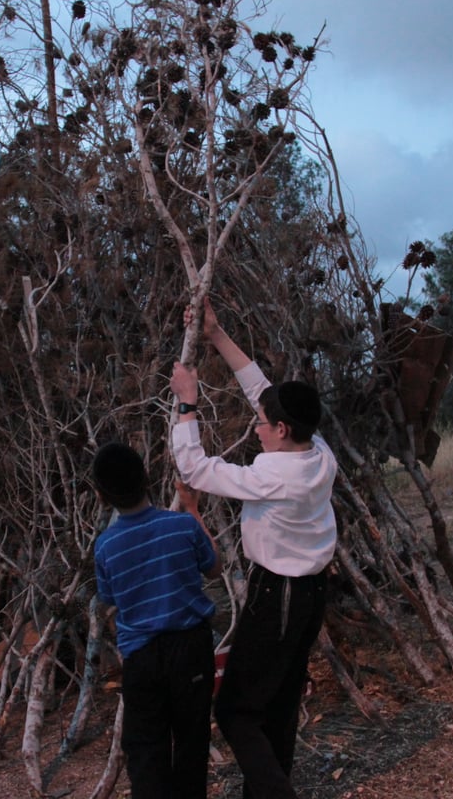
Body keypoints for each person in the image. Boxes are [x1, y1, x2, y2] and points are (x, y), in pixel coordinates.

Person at [169, 297, 338, 799]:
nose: (256, 426)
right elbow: (262, 391)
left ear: (282, 430)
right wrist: (217, 335)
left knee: (236, 710)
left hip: (279, 596)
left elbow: (195, 470)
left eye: (263, 424)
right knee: (280, 705)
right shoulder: (317, 450)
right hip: (309, 595)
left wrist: (187, 404)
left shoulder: (273, 474)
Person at [92, 441, 223, 799]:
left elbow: (111, 599)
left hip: (142, 658)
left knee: (146, 749)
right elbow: (214, 567)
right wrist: (194, 510)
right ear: (147, 478)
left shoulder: (105, 547)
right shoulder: (181, 526)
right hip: (191, 648)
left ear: (101, 495)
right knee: (192, 741)